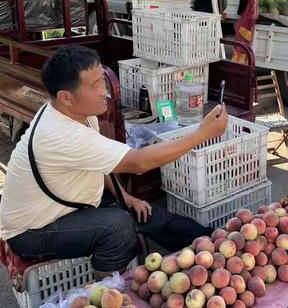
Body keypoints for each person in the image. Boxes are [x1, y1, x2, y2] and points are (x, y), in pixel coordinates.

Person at [0, 46, 228, 280]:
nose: (105, 92)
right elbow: (138, 163)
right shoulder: (61, 134)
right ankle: (107, 293)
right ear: (65, 97)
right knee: (119, 227)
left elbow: (100, 163)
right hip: (32, 232)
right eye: (95, 85)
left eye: (102, 80)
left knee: (144, 212)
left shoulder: (79, 114)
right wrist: (202, 134)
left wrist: (127, 198)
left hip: (68, 202)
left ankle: (212, 243)